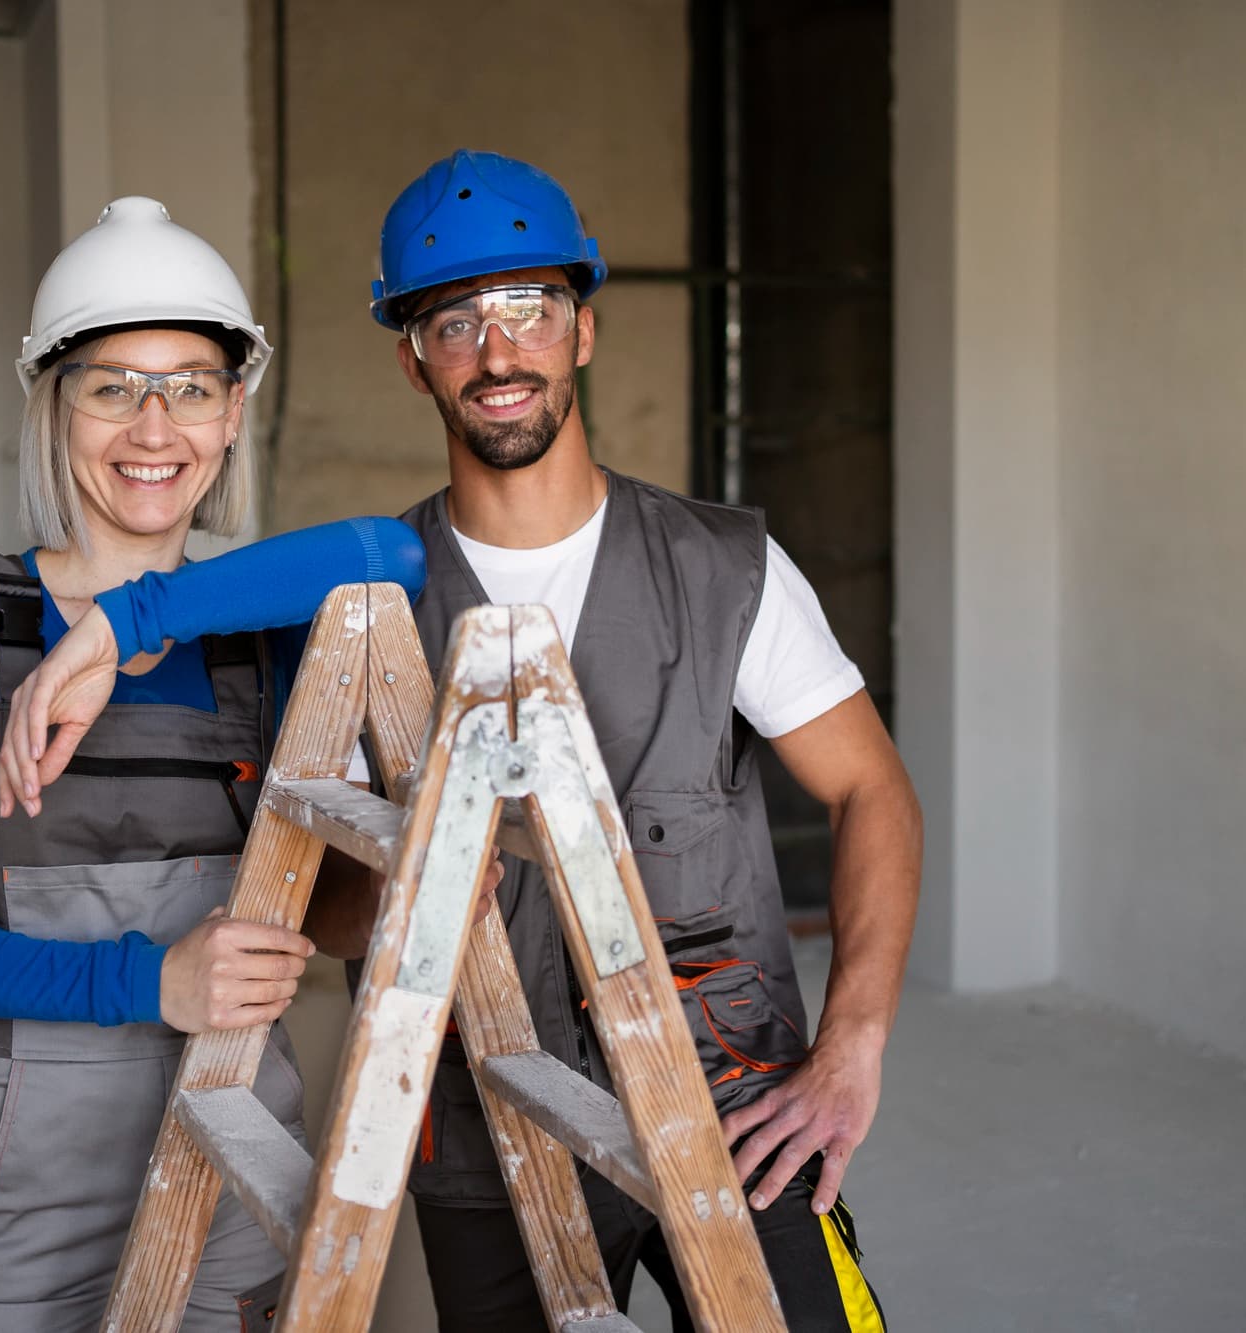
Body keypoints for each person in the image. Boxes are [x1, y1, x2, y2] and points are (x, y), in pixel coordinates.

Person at [360, 150, 922, 1332]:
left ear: (582, 331)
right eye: (453, 321)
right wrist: (401, 892)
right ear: (412, 360)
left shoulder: (722, 570)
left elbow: (870, 790)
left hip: (736, 1105)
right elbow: (321, 901)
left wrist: (850, 1044)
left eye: (529, 308)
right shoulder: (376, 608)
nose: (496, 352)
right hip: (485, 1119)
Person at [0, 196, 426, 1333]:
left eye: (191, 388)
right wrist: (149, 983)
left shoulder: (260, 630)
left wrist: (126, 623)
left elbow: (395, 550)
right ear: (53, 404)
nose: (153, 428)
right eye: (112, 387)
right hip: (20, 1177)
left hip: (234, 1132)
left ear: (232, 412)